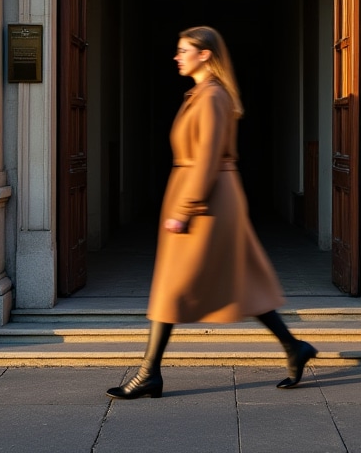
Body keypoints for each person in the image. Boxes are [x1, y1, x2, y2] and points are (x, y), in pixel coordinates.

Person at [106, 25, 317, 400]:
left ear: (205, 54)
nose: (176, 56)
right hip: (205, 196)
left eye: (183, 49)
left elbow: (206, 158)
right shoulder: (202, 94)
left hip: (206, 201)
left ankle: (148, 373)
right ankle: (293, 347)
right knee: (241, 282)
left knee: (172, 286)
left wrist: (185, 209)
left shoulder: (212, 96)